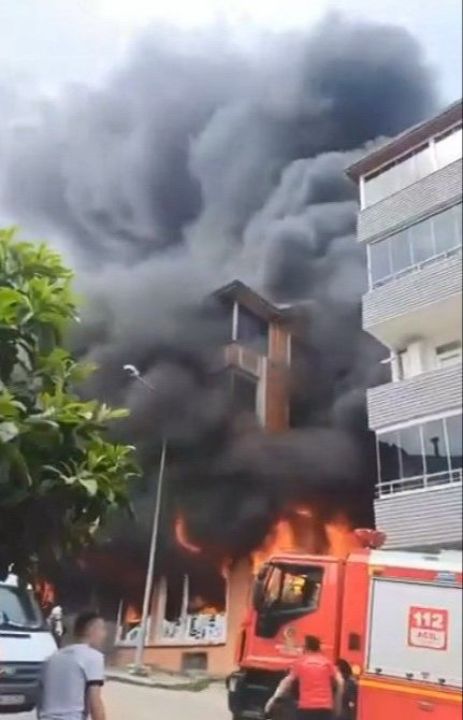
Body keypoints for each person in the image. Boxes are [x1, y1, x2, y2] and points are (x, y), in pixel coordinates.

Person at [37, 611, 107, 720]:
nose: (104, 635)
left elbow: (40, 699)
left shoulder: (52, 658)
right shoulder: (93, 657)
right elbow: (95, 703)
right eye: (102, 629)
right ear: (91, 630)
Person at [265, 636, 345, 720]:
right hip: (325, 709)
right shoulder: (328, 663)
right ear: (318, 649)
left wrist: (273, 699)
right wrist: (337, 706)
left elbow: (286, 682)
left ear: (306, 648)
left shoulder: (300, 663)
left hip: (307, 708)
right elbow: (340, 681)